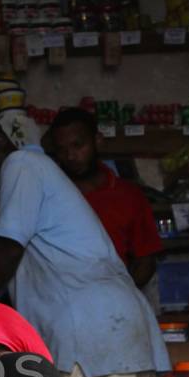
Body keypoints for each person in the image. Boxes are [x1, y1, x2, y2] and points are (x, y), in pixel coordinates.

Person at [0, 111, 169, 377]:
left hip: (93, 341)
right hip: (114, 336)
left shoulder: (20, 165)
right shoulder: (37, 169)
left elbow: (7, 250)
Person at [48, 107, 163, 286]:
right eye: (62, 150)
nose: (70, 156)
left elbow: (146, 260)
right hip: (64, 303)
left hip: (116, 304)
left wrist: (120, 297)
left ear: (98, 141)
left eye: (78, 145)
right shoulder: (49, 196)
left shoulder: (128, 196)